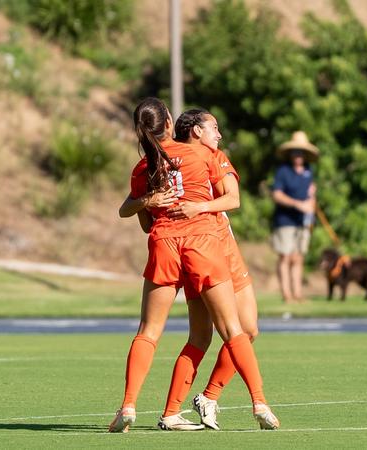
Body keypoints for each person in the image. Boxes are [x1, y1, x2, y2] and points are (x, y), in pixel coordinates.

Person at [109, 97, 279, 433]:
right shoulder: (203, 155)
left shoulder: (144, 169)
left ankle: (129, 406)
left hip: (165, 245)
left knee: (150, 331)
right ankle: (259, 402)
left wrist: (148, 201)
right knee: (233, 329)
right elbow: (232, 197)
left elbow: (136, 218)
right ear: (170, 125)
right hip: (203, 245)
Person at [270, 131, 319, 303]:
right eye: (295, 152)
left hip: (303, 220)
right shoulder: (283, 171)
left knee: (298, 257)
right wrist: (298, 204)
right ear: (291, 153)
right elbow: (277, 195)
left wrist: (311, 202)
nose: (298, 155)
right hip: (285, 220)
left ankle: (297, 294)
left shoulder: (308, 171)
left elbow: (311, 193)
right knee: (286, 256)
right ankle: (286, 294)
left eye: (301, 152)